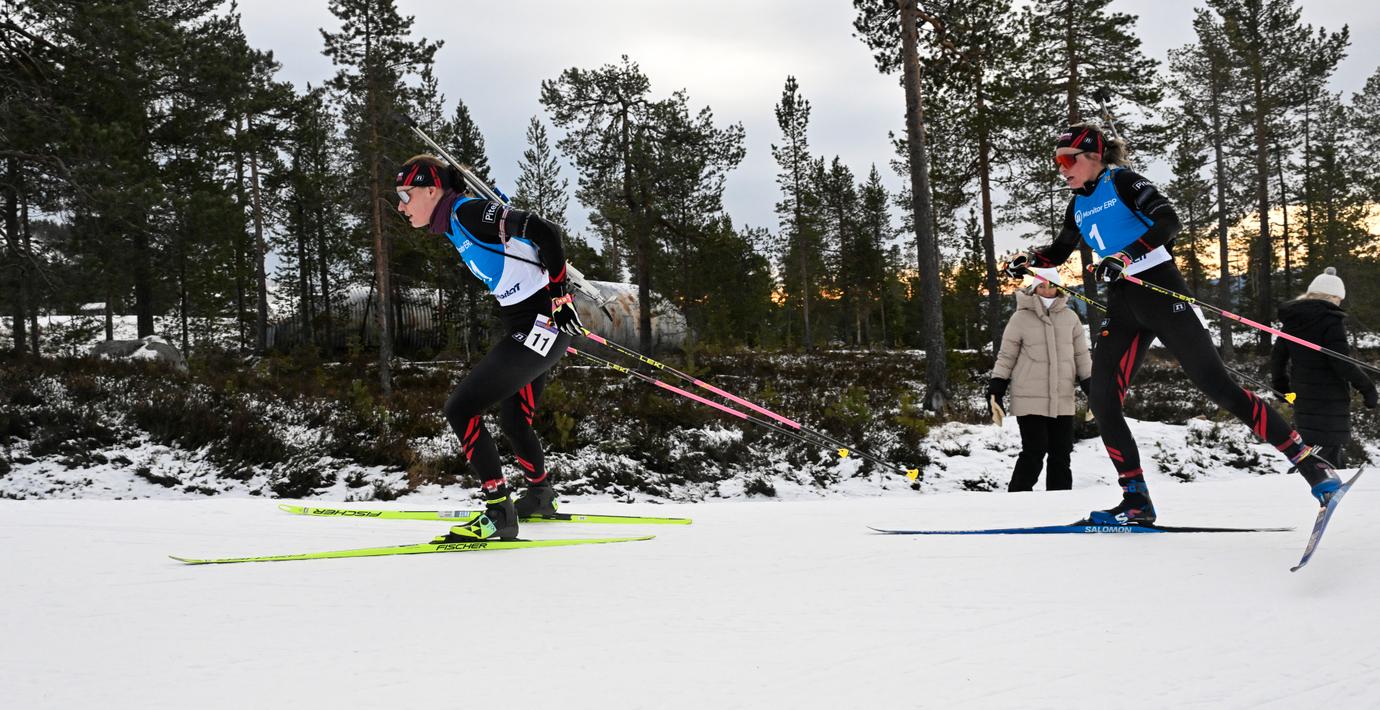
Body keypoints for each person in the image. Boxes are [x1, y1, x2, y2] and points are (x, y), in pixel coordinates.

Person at [1002, 123, 1343, 525]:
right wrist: (1030, 262)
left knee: (1217, 385)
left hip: (1161, 290)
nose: (1061, 169)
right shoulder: (1076, 203)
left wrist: (1125, 256)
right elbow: (1060, 251)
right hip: (1124, 303)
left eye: (1067, 160)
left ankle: (1311, 465)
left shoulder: (1123, 181)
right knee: (1102, 397)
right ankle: (1136, 500)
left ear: (1094, 156)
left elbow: (1168, 222)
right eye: (1057, 161)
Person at [394, 155, 585, 541]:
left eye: (405, 194)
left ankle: (499, 512)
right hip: (534, 325)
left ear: (432, 190)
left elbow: (546, 231)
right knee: (514, 420)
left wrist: (561, 295)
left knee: (461, 408)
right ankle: (540, 495)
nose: (400, 205)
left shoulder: (467, 214)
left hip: (542, 321)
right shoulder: (452, 220)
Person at [989, 267, 1093, 492]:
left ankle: (1059, 501)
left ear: (1059, 287)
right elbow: (1007, 355)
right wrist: (997, 386)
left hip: (1063, 396)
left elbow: (1081, 355)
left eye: (1052, 285)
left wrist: (1090, 385)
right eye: (1042, 286)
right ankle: (1017, 498)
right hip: (1029, 396)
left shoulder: (1070, 317)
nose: (1047, 290)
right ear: (1034, 287)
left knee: (1061, 452)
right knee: (1034, 450)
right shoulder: (1020, 318)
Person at [1271, 267, 1378, 467]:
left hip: (1303, 396)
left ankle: (1334, 483)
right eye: (1339, 299)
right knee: (1321, 450)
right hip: (1329, 398)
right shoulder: (1330, 320)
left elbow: (1278, 359)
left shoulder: (1292, 320)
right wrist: (1367, 388)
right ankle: (1295, 485)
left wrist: (1282, 389)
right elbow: (1340, 362)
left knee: (1328, 449)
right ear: (1334, 296)